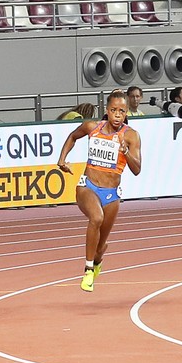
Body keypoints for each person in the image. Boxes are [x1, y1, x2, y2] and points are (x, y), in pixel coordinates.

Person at [56, 91, 143, 292]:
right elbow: (72, 136)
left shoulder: (131, 136)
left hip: (111, 194)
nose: (117, 115)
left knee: (100, 246)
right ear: (107, 110)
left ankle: (96, 261)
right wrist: (62, 159)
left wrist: (126, 152)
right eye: (113, 110)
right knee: (96, 218)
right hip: (88, 186)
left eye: (121, 111)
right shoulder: (92, 127)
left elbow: (137, 169)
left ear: (126, 112)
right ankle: (87, 270)